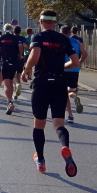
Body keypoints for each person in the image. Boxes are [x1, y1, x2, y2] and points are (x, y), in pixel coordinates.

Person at [22, 10, 80, 177]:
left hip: (42, 82)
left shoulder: (38, 37)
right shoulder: (63, 39)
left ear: (41, 21)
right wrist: (62, 67)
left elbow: (35, 56)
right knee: (59, 123)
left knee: (39, 124)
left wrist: (26, 69)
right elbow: (75, 62)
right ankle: (65, 147)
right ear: (55, 22)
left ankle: (40, 160)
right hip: (60, 82)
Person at [0, 24, 23, 115]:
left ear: (4, 30)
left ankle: (9, 102)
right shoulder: (15, 38)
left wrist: (1, 50)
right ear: (12, 30)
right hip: (14, 62)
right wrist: (20, 55)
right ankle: (13, 94)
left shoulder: (1, 38)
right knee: (11, 80)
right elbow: (20, 45)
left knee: (6, 83)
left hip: (5, 62)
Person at [61, 26, 84, 123]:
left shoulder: (61, 41)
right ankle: (74, 97)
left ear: (61, 32)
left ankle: (70, 115)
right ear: (70, 32)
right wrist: (79, 63)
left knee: (64, 94)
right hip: (75, 70)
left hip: (64, 69)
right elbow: (85, 54)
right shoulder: (77, 42)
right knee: (71, 90)